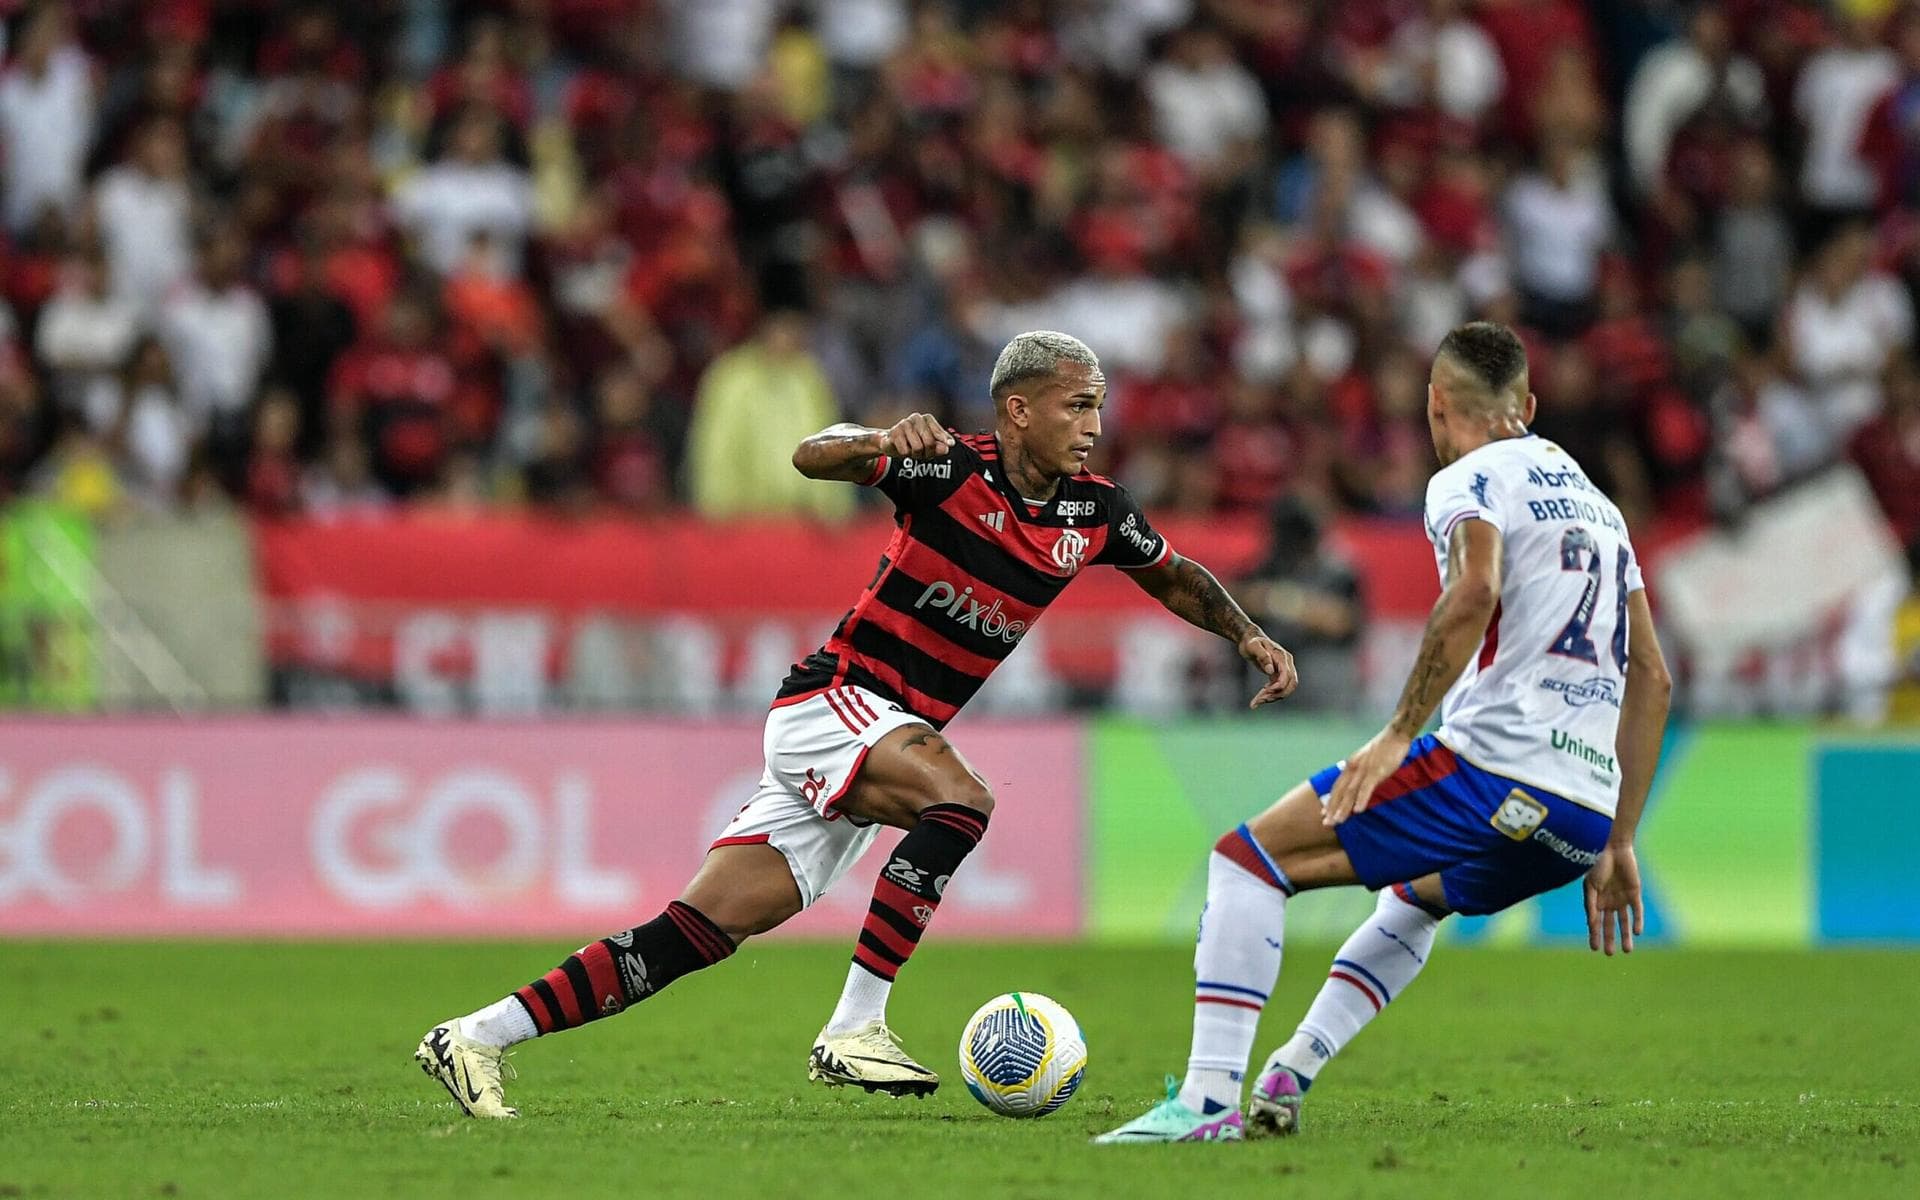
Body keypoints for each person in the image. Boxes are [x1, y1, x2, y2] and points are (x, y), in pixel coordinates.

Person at [415, 330, 1300, 1117]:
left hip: (882, 732)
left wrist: (1248, 634)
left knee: (695, 933)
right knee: (962, 801)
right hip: (833, 701)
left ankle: (477, 1036)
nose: (1094, 426)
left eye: (1099, 408)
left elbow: (1175, 575)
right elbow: (811, 457)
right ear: (1017, 409)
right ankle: (855, 1027)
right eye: (1077, 407)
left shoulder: (1091, 512)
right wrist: (881, 439)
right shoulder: (948, 468)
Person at [1095, 321, 1672, 1143]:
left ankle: (1207, 1104)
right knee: (1413, 902)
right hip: (1581, 815)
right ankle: (1289, 1074)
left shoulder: (1469, 477)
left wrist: (1401, 732)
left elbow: (1474, 592)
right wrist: (1619, 840)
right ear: (1530, 405)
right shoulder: (1605, 511)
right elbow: (1654, 676)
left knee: (1247, 862)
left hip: (1493, 769)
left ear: (1436, 407)